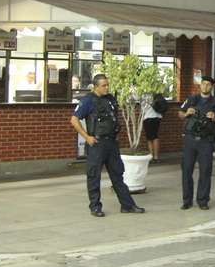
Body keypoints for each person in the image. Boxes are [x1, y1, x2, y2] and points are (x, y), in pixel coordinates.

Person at [70, 74, 145, 217]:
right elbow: (74, 120)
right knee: (94, 176)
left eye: (107, 85)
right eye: (103, 85)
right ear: (96, 86)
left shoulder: (110, 99)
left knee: (117, 175)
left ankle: (127, 205)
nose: (106, 88)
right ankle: (95, 207)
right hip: (96, 143)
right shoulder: (88, 101)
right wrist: (87, 137)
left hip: (111, 143)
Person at [178, 75, 215, 210]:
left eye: (208, 85)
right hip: (190, 139)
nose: (205, 86)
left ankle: (203, 200)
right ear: (200, 85)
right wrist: (186, 113)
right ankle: (186, 201)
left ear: (211, 87)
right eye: (203, 84)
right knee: (186, 170)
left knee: (205, 171)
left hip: (206, 140)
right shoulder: (192, 99)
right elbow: (180, 114)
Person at [143, 93, 167, 163]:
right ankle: (155, 157)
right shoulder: (156, 95)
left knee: (150, 138)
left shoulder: (146, 96)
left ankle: (152, 157)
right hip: (157, 118)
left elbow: (143, 108)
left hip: (148, 118)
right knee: (154, 137)